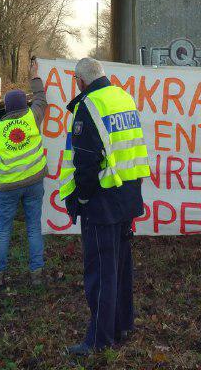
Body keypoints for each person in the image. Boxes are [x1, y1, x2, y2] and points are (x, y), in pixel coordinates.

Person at [56, 58, 150, 356]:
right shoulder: (124, 97)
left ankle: (98, 340)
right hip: (128, 195)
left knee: (100, 272)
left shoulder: (89, 106)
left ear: (80, 82)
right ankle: (122, 325)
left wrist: (82, 199)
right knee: (121, 267)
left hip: (102, 201)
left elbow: (84, 162)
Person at [0, 57, 50, 289]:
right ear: (24, 106)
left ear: (6, 108)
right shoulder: (32, 117)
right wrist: (34, 74)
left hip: (8, 185)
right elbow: (41, 98)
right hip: (34, 182)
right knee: (33, 226)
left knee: (4, 227)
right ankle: (36, 273)